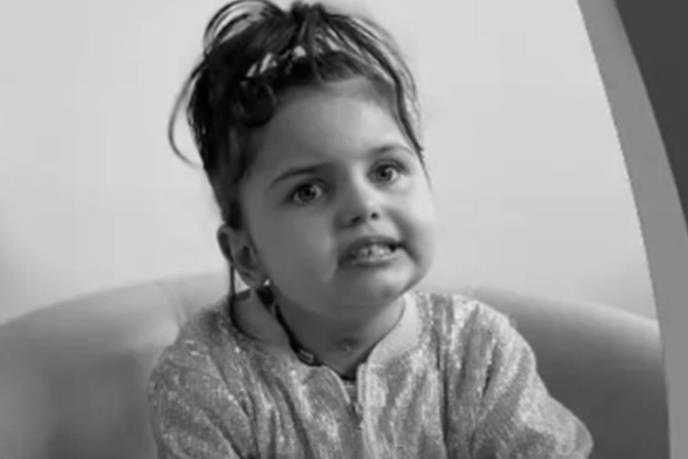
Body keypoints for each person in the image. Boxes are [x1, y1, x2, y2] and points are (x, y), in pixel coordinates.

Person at [147, 1, 594, 457]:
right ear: (247, 254)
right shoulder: (207, 377)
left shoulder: (479, 351)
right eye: (308, 191)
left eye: (385, 171)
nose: (364, 206)